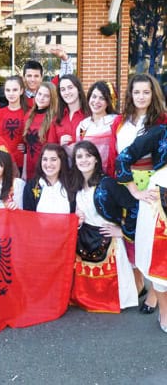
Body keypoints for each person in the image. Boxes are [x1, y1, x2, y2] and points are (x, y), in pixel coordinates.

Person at [107, 73, 167, 311]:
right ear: (130, 94)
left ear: (153, 94)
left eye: (146, 92)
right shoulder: (121, 121)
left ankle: (154, 293)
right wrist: (129, 188)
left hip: (152, 183)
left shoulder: (161, 121)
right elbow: (117, 154)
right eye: (136, 92)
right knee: (132, 236)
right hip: (126, 180)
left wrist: (143, 189)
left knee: (152, 241)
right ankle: (138, 283)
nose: (141, 96)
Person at [70, 141, 138, 313]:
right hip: (84, 240)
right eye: (79, 156)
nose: (83, 160)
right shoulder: (75, 185)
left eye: (88, 155)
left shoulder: (107, 183)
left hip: (108, 239)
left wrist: (123, 231)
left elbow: (133, 206)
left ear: (96, 160)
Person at [115, 124, 167, 333]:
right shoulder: (160, 132)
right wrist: (134, 191)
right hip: (160, 204)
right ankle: (164, 312)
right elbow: (124, 158)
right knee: (160, 265)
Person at [76, 81, 118, 172]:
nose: (96, 101)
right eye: (94, 97)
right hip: (88, 174)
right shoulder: (83, 125)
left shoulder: (115, 122)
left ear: (108, 102)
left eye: (102, 98)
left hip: (111, 174)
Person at [0, 75, 28, 174]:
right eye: (8, 90)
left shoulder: (28, 113)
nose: (11, 93)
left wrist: (26, 146)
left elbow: (32, 138)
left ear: (21, 91)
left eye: (15, 90)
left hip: (21, 162)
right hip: (2, 160)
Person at [23, 143, 74, 213]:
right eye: (45, 159)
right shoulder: (31, 186)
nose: (48, 164)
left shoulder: (72, 186)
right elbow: (28, 216)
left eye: (53, 159)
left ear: (62, 161)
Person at [23, 82, 58, 180]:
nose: (41, 98)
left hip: (45, 170)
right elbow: (26, 147)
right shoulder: (28, 116)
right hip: (29, 169)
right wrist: (24, 172)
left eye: (46, 96)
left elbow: (52, 149)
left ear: (52, 99)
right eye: (40, 94)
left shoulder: (53, 119)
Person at [48, 74, 90, 156]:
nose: (66, 92)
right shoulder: (57, 119)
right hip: (63, 166)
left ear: (78, 89)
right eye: (63, 89)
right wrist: (60, 145)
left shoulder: (89, 116)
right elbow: (50, 148)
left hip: (85, 165)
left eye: (70, 88)